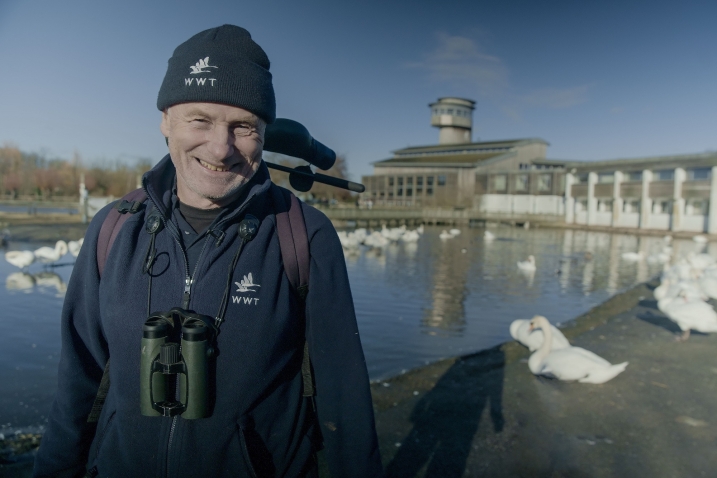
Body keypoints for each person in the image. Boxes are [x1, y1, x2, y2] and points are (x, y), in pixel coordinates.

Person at [34, 24, 383, 478]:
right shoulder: (113, 229)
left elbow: (345, 400)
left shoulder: (304, 236)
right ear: (165, 119)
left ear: (263, 133)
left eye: (243, 126)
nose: (221, 148)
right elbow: (77, 383)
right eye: (200, 120)